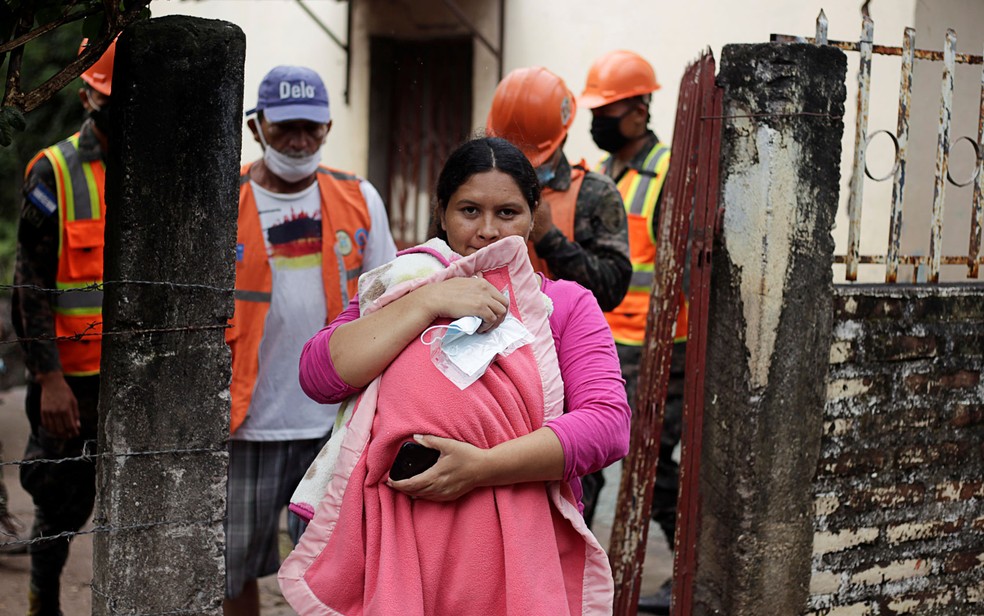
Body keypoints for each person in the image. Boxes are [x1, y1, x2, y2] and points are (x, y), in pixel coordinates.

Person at [280, 137, 631, 614]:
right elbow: (321, 376)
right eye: (469, 210)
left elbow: (607, 425)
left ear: (533, 217)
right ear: (442, 213)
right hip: (397, 539)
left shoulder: (565, 306)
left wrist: (481, 468)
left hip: (515, 548)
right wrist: (428, 302)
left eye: (507, 213)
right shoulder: (405, 284)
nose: (487, 231)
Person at [225, 65, 397, 615]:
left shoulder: (358, 198)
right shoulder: (222, 202)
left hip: (335, 425)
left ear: (326, 128)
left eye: (310, 128)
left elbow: (390, 302)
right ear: (258, 128)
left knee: (332, 572)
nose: (299, 141)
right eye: (285, 129)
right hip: (247, 422)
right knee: (227, 571)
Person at [580, 49, 687, 615]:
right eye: (596, 109)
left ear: (640, 110)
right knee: (585, 459)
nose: (598, 120)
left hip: (661, 346)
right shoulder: (601, 176)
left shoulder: (672, 170)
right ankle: (565, 565)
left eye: (609, 109)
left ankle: (685, 573)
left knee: (653, 466)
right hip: (601, 340)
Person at [12, 38, 115, 615]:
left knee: (137, 502)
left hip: (135, 381)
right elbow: (30, 281)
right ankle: (41, 601)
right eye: (112, 109)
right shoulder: (52, 171)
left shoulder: (159, 175)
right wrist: (48, 377)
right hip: (70, 384)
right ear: (87, 99)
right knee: (58, 504)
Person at [485, 66, 631, 314]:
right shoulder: (477, 187)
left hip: (566, 341)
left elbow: (612, 289)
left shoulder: (595, 193)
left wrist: (549, 238)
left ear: (561, 139)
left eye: (533, 159)